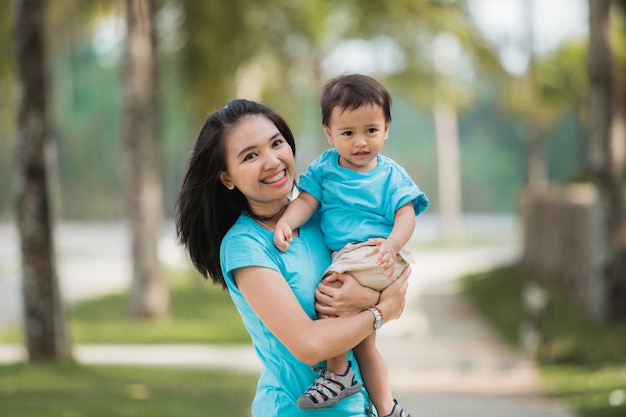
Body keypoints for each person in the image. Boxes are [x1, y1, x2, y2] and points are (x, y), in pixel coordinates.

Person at [175, 98, 411, 417]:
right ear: (227, 178)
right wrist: (381, 310)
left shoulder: (319, 218)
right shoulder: (245, 245)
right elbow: (308, 344)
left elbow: (386, 277)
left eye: (276, 143)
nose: (272, 161)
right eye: (250, 156)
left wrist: (368, 298)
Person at [273, 74, 429, 417]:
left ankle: (337, 372)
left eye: (371, 130)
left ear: (386, 128)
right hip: (352, 258)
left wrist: (392, 243)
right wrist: (286, 221)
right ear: (330, 134)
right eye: (348, 133)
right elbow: (306, 202)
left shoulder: (391, 176)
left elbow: (407, 216)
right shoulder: (325, 169)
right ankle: (388, 408)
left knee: (332, 289)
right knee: (364, 344)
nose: (361, 142)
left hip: (376, 253)